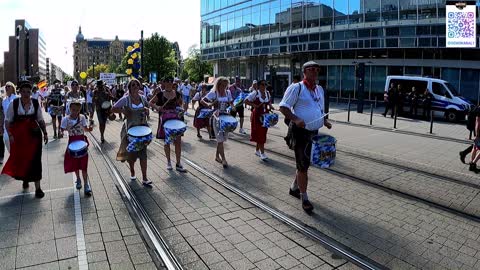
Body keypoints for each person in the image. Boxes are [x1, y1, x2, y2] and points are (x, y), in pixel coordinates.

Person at [279, 61, 332, 214]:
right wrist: (295, 119)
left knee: (305, 164)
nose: (315, 72)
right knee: (303, 166)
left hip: (314, 133)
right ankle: (304, 197)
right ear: (304, 71)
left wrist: (324, 120)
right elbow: (283, 106)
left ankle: (294, 188)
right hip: (300, 132)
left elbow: (319, 108)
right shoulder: (297, 87)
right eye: (312, 69)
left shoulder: (319, 89)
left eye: (317, 69)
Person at [2, 81, 48, 198]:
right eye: (24, 92)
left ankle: (38, 188)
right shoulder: (14, 103)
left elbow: (40, 119)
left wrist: (45, 132)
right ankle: (25, 179)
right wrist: (10, 135)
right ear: (20, 92)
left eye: (28, 91)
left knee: (36, 160)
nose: (26, 94)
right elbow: (8, 120)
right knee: (22, 159)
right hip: (20, 137)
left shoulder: (35, 103)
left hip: (34, 136)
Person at [112, 79, 153, 186]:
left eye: (137, 85)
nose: (135, 86)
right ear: (129, 88)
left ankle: (144, 178)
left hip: (142, 129)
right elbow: (113, 108)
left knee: (143, 154)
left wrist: (147, 110)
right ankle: (132, 171)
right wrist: (123, 111)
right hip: (130, 130)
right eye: (133, 85)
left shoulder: (143, 98)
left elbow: (148, 107)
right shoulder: (126, 99)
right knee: (132, 155)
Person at [149, 82, 188, 172]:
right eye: (167, 83)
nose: (169, 85)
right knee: (167, 142)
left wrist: (181, 109)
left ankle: (178, 163)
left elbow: (180, 104)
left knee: (178, 142)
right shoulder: (160, 94)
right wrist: (157, 107)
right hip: (165, 120)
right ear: (164, 84)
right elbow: (150, 102)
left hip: (176, 119)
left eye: (171, 83)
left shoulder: (177, 94)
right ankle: (169, 162)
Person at [61, 100, 93, 195]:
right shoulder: (65, 119)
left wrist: (89, 129)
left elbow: (85, 129)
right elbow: (62, 129)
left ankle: (86, 185)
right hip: (72, 142)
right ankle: (78, 179)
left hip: (82, 142)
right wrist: (60, 133)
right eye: (73, 109)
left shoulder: (82, 117)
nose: (75, 112)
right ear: (70, 109)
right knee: (75, 163)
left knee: (84, 165)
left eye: (77, 110)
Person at [201, 77, 234, 168]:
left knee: (222, 140)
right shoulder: (213, 93)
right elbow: (202, 100)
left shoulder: (228, 92)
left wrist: (232, 107)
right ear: (218, 85)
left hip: (226, 118)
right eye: (222, 85)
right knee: (220, 139)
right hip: (216, 118)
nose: (224, 87)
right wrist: (209, 104)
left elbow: (231, 102)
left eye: (225, 85)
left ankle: (216, 156)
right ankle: (223, 159)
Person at [245, 80, 274, 160]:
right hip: (257, 116)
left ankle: (257, 150)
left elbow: (268, 102)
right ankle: (262, 153)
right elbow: (246, 101)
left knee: (263, 133)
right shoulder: (255, 93)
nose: (264, 86)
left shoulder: (267, 93)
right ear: (258, 86)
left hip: (266, 116)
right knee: (260, 133)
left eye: (265, 84)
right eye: (262, 84)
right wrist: (254, 105)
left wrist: (270, 106)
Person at [1, 82, 17, 156]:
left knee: (16, 144)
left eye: (9, 86)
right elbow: (3, 115)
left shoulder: (17, 98)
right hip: (6, 126)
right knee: (7, 141)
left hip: (16, 125)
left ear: (13, 88)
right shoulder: (4, 101)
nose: (7, 88)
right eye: (6, 87)